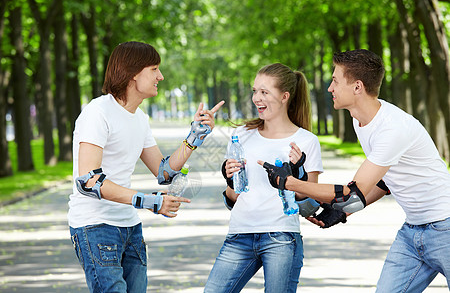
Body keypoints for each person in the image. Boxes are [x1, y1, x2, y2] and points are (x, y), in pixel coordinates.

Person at [259, 49, 450, 292]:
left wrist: (290, 183)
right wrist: (341, 211)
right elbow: (383, 182)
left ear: (357, 87)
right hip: (413, 233)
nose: (330, 88)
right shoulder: (359, 120)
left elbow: (352, 192)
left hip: (445, 228)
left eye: (335, 81)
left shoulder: (393, 128)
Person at [68, 41, 224, 293]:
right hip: (95, 226)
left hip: (130, 227)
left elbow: (163, 172)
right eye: (154, 69)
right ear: (133, 73)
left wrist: (195, 137)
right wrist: (148, 201)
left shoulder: (140, 118)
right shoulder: (97, 112)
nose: (160, 76)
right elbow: (89, 181)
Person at [204, 63, 324, 293]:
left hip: (281, 237)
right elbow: (233, 198)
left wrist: (296, 174)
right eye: (255, 91)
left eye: (264, 92)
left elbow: (309, 203)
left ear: (284, 97)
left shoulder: (307, 141)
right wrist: (230, 182)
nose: (256, 98)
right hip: (240, 234)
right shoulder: (241, 136)